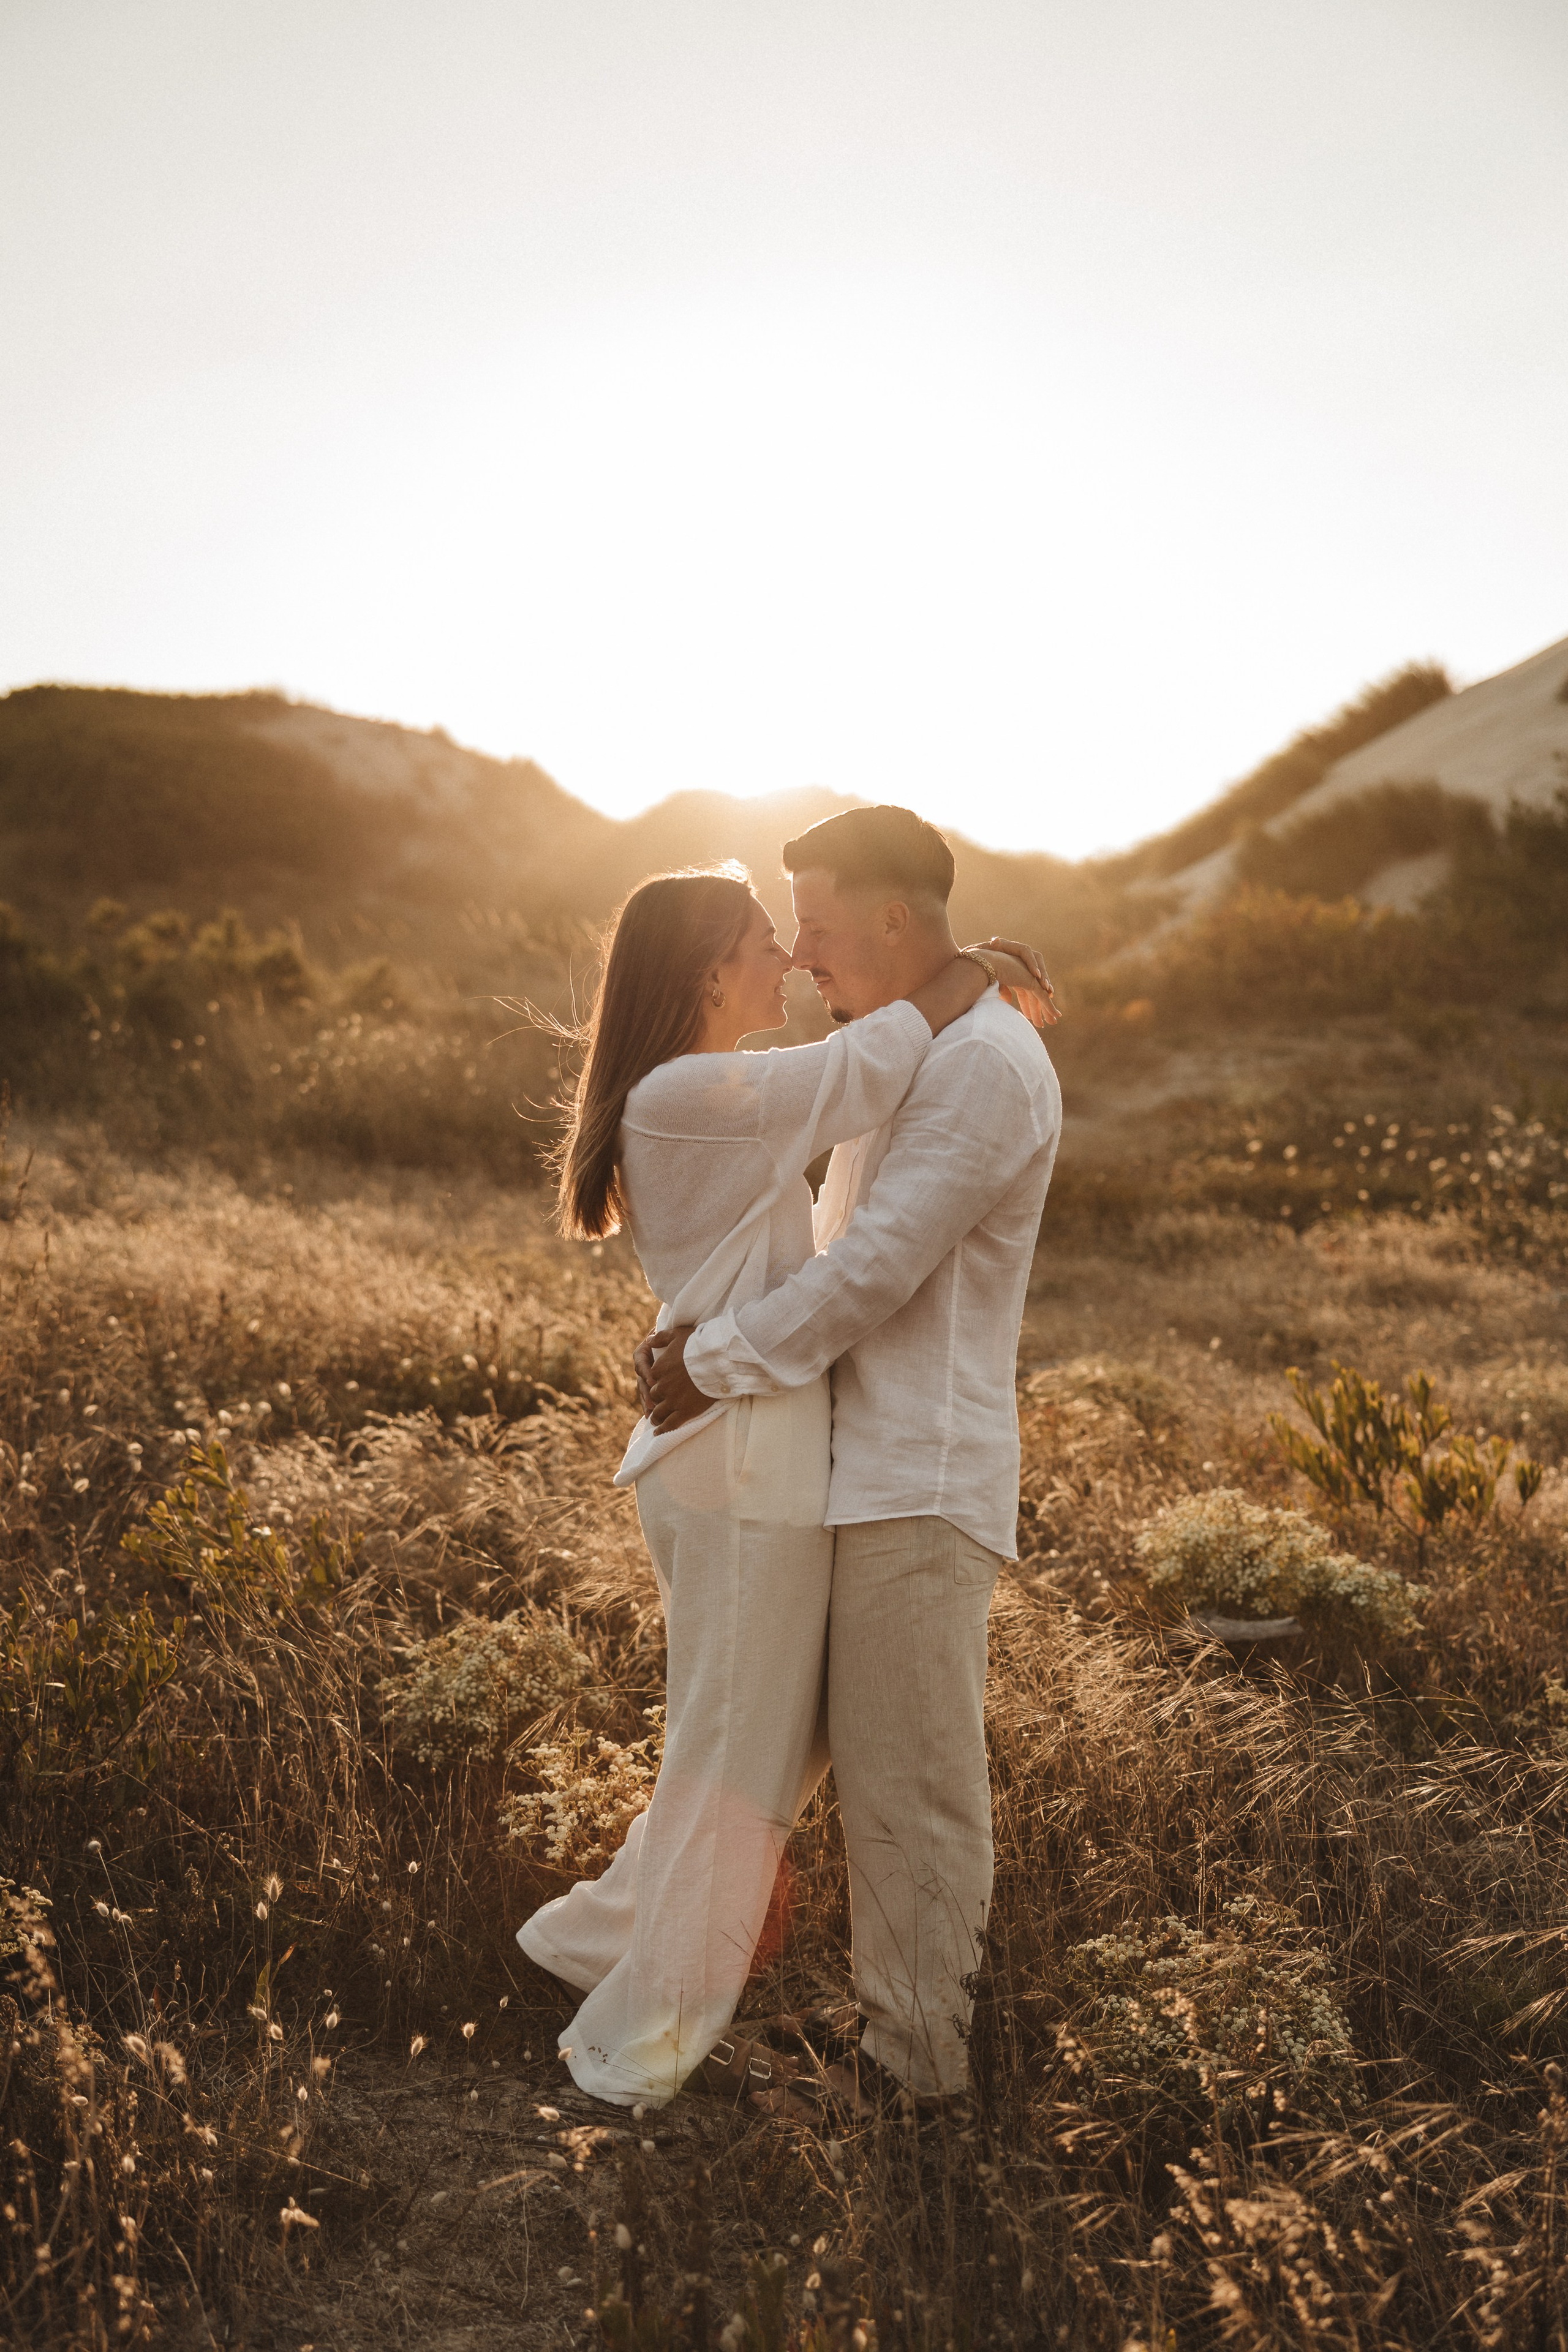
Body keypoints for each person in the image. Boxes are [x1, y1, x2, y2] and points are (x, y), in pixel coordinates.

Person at [514, 857, 1047, 2109]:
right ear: (706, 970)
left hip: (748, 1444)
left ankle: (584, 1940)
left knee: (745, 1747)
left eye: (799, 933)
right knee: (741, 1761)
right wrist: (974, 970)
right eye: (766, 938)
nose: (789, 959)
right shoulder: (700, 1090)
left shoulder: (705, 1090)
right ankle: (635, 2047)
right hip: (739, 1452)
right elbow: (868, 1070)